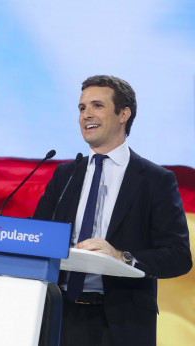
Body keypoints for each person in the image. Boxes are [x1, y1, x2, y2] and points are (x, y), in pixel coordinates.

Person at [33, 75, 192, 345]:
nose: (86, 115)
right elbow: (38, 233)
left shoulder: (155, 180)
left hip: (121, 325)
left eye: (97, 106)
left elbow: (178, 256)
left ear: (123, 114)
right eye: (82, 108)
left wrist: (121, 256)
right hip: (58, 315)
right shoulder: (66, 174)